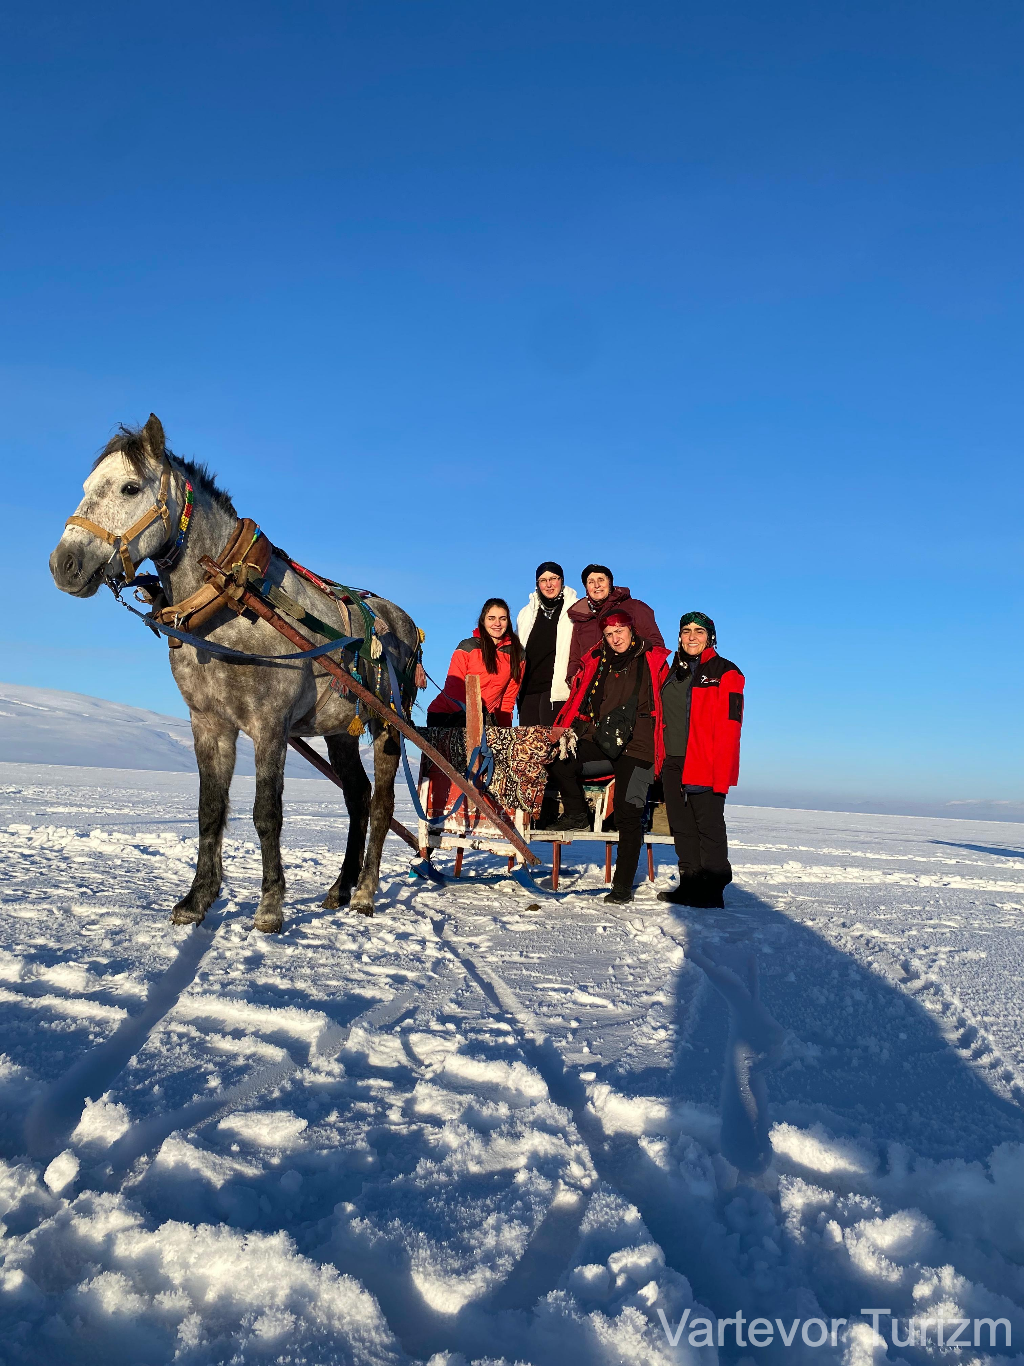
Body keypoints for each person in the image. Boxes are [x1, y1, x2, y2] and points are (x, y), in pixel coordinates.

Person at [547, 608, 669, 904]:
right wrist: (565, 728)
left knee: (628, 813)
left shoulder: (653, 660)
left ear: (632, 630)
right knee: (560, 759)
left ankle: (622, 885)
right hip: (601, 740)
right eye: (609, 634)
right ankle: (577, 815)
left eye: (620, 631)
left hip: (639, 746)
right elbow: (580, 698)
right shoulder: (596, 661)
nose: (615, 638)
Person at [656, 612, 744, 909]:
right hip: (672, 760)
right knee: (682, 827)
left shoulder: (726, 671)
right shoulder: (672, 670)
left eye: (699, 631)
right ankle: (689, 884)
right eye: (686, 630)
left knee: (709, 826)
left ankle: (712, 888)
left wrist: (721, 769)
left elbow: (731, 726)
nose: (692, 636)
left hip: (705, 760)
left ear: (710, 637)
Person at [426, 599, 525, 728]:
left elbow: (508, 699)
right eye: (491, 618)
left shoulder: (517, 655)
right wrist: (473, 717)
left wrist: (504, 731)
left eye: (502, 619)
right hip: (448, 713)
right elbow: (454, 688)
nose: (497, 623)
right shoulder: (467, 647)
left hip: (485, 720)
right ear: (483, 620)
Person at [565, 564, 664, 688]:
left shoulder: (634, 607)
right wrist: (573, 678)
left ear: (610, 582)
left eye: (601, 580)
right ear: (586, 587)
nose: (597, 585)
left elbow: (655, 644)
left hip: (628, 683)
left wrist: (643, 674)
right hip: (591, 686)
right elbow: (575, 657)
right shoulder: (581, 618)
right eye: (591, 582)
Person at [515, 562, 578, 727]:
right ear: (537, 584)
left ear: (561, 580)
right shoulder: (525, 613)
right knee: (528, 741)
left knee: (554, 740)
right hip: (528, 690)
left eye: (553, 578)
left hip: (557, 690)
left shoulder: (575, 608)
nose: (549, 584)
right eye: (543, 580)